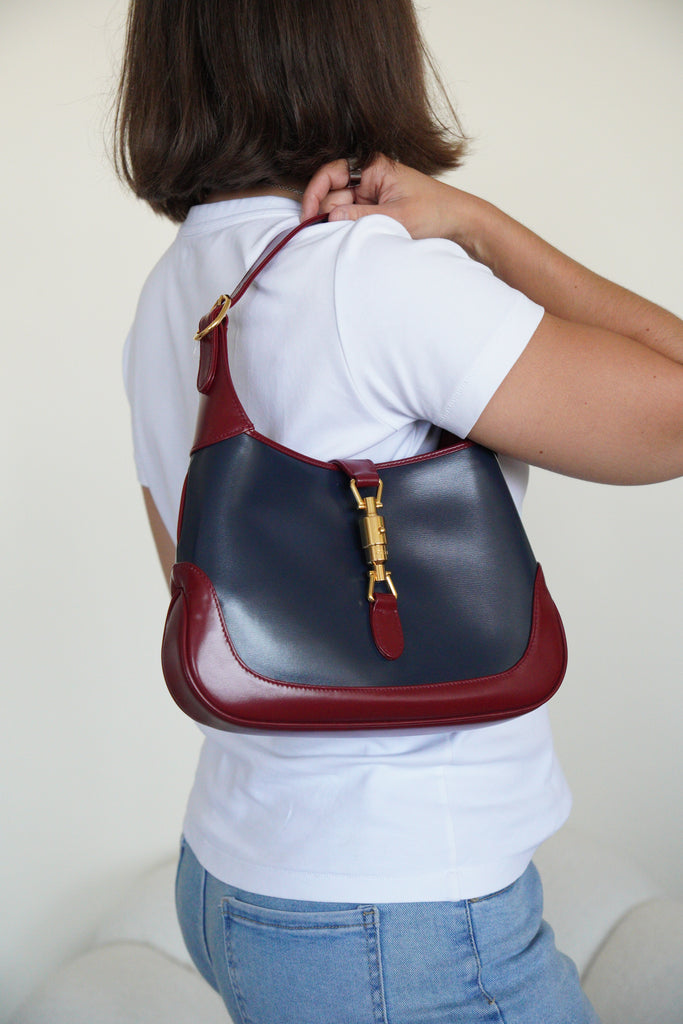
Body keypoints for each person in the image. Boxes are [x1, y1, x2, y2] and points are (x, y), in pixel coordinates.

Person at [115, 2, 683, 1021]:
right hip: (400, 906)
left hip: (233, 874)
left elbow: (196, 589)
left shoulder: (177, 287)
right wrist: (479, 224)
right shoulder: (363, 271)